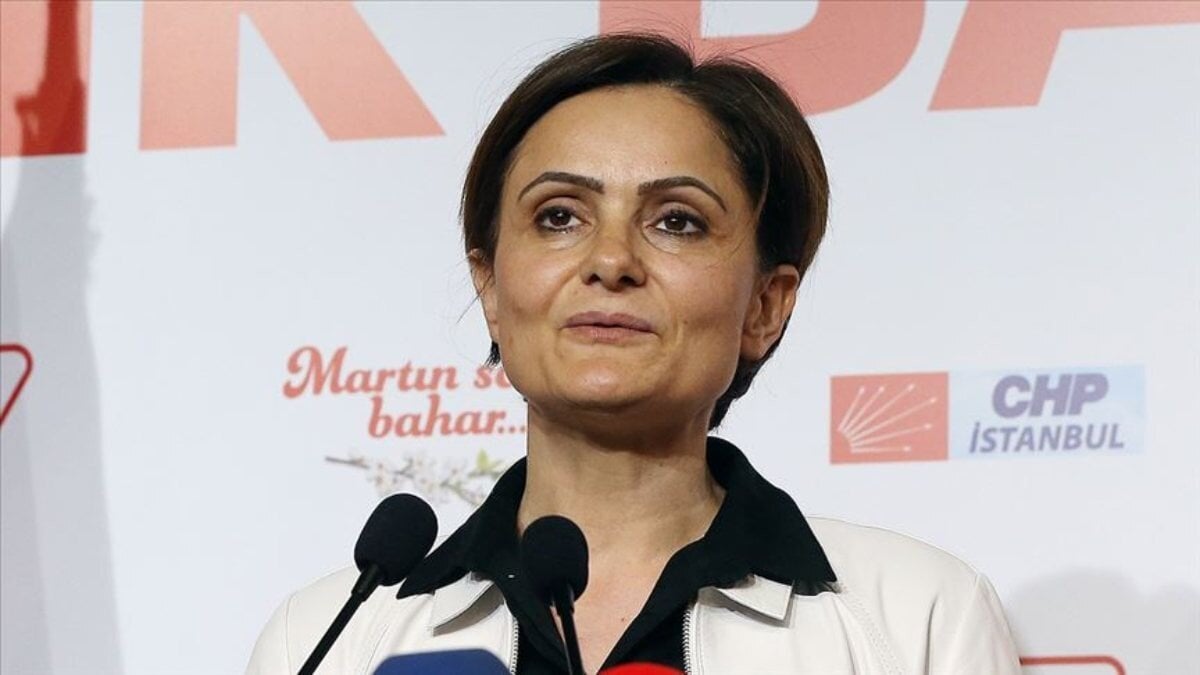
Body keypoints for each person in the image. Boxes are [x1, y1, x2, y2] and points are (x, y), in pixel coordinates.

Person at [247, 33, 1022, 674]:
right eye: (559, 216)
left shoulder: (917, 618)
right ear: (492, 287)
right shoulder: (326, 640)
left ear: (765, 304)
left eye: (677, 221)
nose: (610, 260)